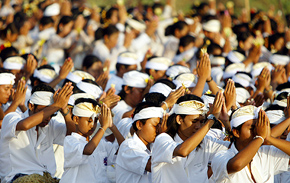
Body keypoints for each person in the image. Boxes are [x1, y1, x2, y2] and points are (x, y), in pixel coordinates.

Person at [0, 83, 74, 182]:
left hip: (47, 178)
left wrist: (64, 109)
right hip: (16, 178)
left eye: (52, 113)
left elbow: (72, 137)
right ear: (31, 106)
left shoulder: (51, 124)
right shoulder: (12, 117)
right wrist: (56, 105)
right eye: (44, 111)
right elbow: (25, 125)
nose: (48, 117)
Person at [151, 93, 230, 183]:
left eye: (202, 121)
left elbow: (234, 148)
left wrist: (227, 123)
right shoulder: (162, 140)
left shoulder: (206, 141)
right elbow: (183, 151)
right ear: (179, 120)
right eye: (194, 121)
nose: (198, 126)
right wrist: (211, 119)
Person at [211, 105, 290, 183]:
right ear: (236, 132)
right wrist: (260, 137)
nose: (257, 131)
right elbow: (237, 165)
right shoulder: (221, 156)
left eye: (258, 127)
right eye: (252, 128)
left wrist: (268, 138)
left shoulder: (265, 152)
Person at [60, 99, 113, 183]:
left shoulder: (100, 142)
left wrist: (111, 126)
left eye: (95, 121)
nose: (93, 125)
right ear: (76, 119)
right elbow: (88, 150)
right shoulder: (70, 140)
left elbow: (121, 152)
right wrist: (103, 127)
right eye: (89, 121)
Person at [116, 102, 164, 183]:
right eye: (155, 125)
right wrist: (164, 136)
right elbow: (151, 165)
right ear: (139, 125)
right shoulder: (128, 146)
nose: (158, 130)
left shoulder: (153, 146)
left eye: (160, 126)